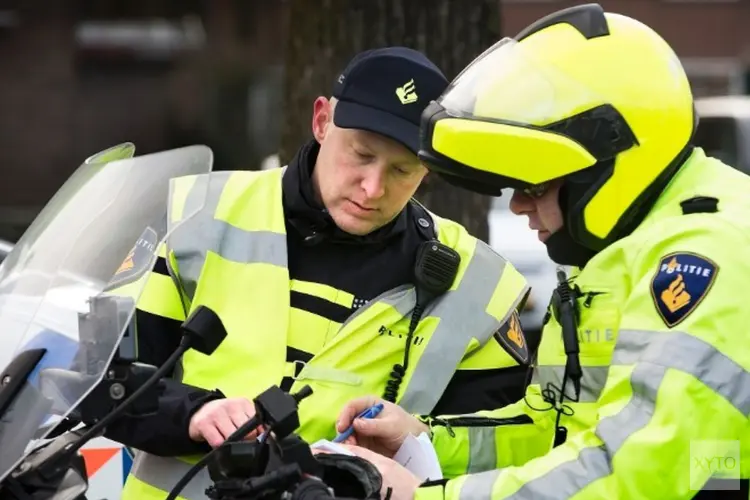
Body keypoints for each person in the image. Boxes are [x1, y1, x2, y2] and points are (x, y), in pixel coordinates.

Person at [332, 4, 750, 499]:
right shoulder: (623, 245)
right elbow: (552, 429)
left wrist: (423, 497)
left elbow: (638, 474)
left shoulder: (710, 253)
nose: (519, 203)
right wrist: (422, 443)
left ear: (607, 169)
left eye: (535, 183)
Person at [106, 46, 535, 499]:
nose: (373, 188)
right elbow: (102, 381)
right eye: (361, 155)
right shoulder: (198, 215)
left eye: (403, 170)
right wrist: (193, 414)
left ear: (427, 169)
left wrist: (420, 439)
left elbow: (503, 450)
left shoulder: (477, 283)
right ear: (321, 121)